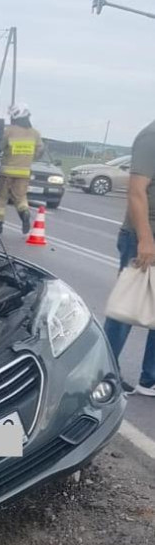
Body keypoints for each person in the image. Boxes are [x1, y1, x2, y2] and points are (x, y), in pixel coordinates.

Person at [103, 119, 155, 397]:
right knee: (126, 308)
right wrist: (146, 238)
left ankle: (151, 379)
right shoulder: (151, 136)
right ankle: (104, 374)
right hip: (143, 238)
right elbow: (136, 192)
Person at [0, 104, 44, 234]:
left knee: (1, 198)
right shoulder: (35, 133)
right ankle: (24, 213)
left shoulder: (9, 130)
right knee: (20, 198)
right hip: (24, 172)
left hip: (7, 172)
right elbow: (40, 151)